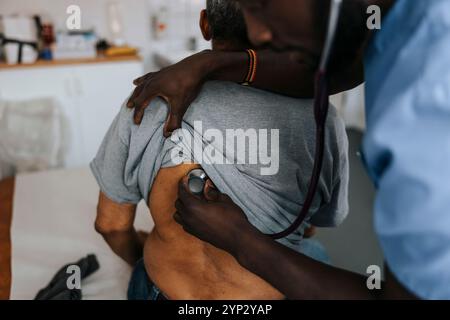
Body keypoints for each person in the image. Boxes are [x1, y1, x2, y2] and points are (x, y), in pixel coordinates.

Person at [127, 0, 450, 299]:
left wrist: (242, 240)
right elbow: (320, 74)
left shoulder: (430, 87)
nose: (256, 33)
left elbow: (110, 223)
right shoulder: (392, 30)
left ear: (205, 24)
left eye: (259, 4)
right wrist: (207, 65)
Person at [92, 0, 349, 300]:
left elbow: (109, 225)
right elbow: (313, 224)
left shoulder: (150, 98)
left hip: (167, 294)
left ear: (205, 25)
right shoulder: (322, 118)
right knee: (314, 250)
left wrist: (145, 259)